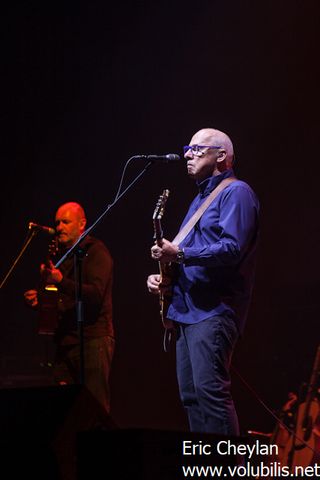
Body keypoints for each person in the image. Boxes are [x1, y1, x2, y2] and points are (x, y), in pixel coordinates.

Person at [147, 128, 259, 436]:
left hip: (213, 312)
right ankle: (206, 467)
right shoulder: (200, 200)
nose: (187, 154)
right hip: (186, 311)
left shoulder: (236, 193)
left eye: (197, 149)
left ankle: (228, 470)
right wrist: (164, 277)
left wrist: (179, 253)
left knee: (211, 397)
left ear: (221, 156)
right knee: (191, 399)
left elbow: (232, 248)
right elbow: (189, 254)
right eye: (188, 148)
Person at [24, 201, 114, 414]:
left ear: (82, 224)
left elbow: (94, 295)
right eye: (57, 223)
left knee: (95, 406)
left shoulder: (95, 251)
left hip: (93, 340)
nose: (59, 227)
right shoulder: (62, 258)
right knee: (63, 407)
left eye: (65, 222)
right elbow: (63, 301)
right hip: (65, 341)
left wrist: (61, 281)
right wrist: (41, 300)